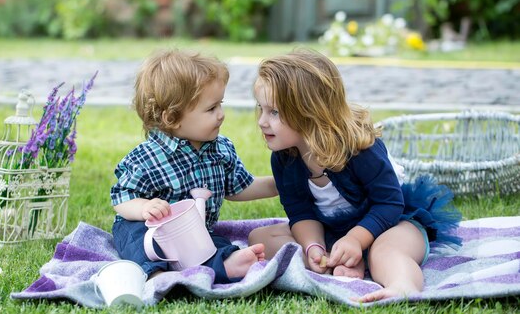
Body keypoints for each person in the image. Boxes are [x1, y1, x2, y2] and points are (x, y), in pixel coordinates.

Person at [248, 49, 461, 302]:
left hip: (389, 223)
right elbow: (300, 212)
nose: (262, 121)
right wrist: (313, 246)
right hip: (333, 230)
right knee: (260, 238)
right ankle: (338, 260)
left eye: (274, 112)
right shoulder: (285, 158)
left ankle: (402, 285)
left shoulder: (360, 148)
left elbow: (389, 203)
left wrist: (356, 239)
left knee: (386, 250)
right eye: (261, 108)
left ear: (309, 111)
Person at [111, 49, 278, 284]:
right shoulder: (147, 157)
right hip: (152, 232)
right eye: (211, 109)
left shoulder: (220, 149)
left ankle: (226, 264)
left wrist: (279, 183)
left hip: (194, 235)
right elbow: (121, 198)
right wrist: (145, 207)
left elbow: (239, 187)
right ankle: (157, 274)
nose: (221, 115)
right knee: (134, 237)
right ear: (172, 118)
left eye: (220, 104)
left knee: (216, 244)